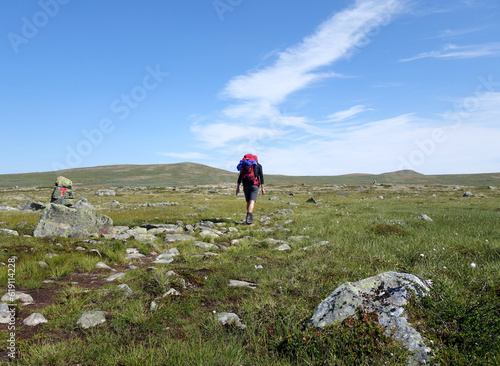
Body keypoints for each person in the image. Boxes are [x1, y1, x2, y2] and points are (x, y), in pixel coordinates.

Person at [236, 154, 265, 224]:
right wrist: (262, 188)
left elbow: (240, 177)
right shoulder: (258, 166)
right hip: (254, 185)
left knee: (248, 201)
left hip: (245, 185)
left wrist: (237, 187)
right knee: (252, 201)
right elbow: (261, 177)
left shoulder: (245, 166)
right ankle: (249, 216)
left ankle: (249, 217)